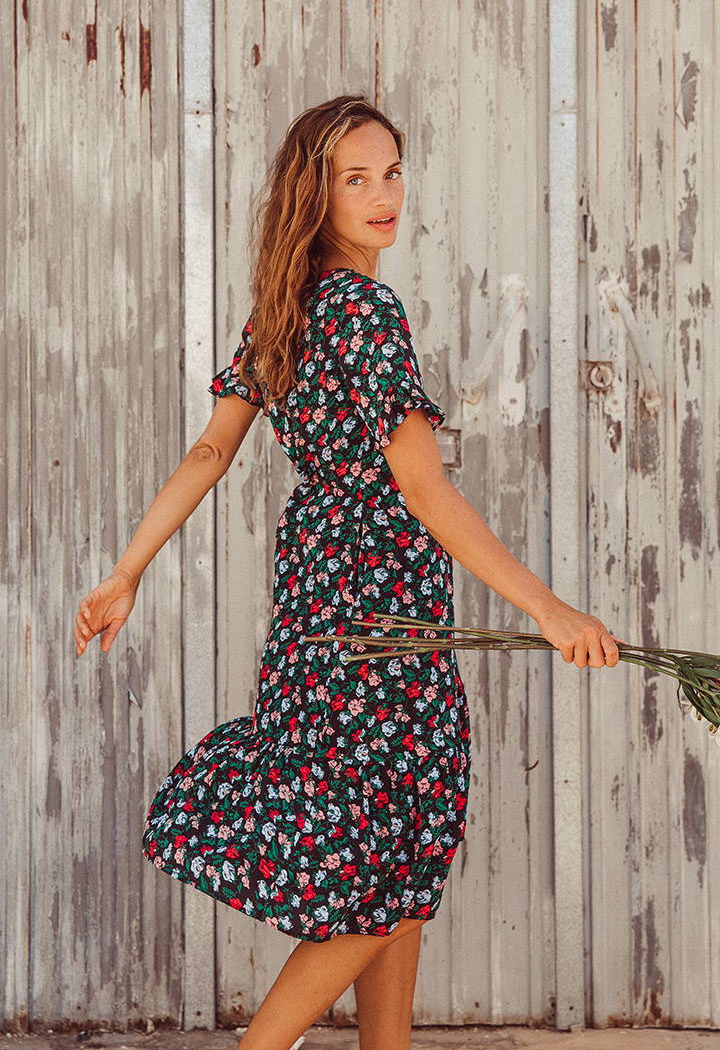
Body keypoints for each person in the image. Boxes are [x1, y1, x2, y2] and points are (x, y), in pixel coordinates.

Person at [73, 94, 623, 1050]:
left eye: (391, 173)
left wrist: (128, 570)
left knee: (393, 861)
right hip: (380, 616)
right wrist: (547, 608)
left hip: (317, 609)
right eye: (354, 179)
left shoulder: (284, 309)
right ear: (314, 194)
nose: (382, 196)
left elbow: (210, 452)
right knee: (384, 867)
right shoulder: (365, 309)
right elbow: (422, 487)